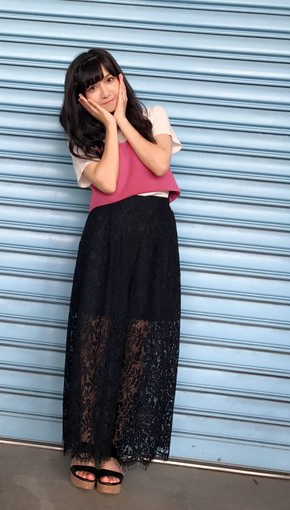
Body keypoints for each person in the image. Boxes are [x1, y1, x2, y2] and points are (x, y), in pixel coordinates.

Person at [59, 48, 182, 496]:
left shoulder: (154, 116)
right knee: (96, 338)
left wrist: (125, 120)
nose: (105, 90)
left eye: (110, 79)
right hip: (107, 236)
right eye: (93, 86)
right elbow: (109, 183)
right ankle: (86, 444)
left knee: (138, 341)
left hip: (154, 236)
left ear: (122, 79)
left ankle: (115, 451)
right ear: (81, 96)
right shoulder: (81, 137)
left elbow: (159, 165)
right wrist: (109, 128)